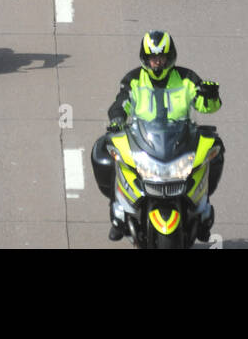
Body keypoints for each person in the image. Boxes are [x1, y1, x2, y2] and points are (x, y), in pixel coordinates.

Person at [90, 32, 224, 242]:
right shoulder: (133, 79)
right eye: (153, 58)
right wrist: (117, 118)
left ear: (171, 57)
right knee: (105, 150)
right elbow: (122, 102)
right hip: (144, 139)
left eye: (161, 58)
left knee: (215, 148)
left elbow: (205, 107)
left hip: (180, 139)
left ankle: (203, 207)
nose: (157, 63)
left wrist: (210, 95)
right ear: (145, 58)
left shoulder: (187, 77)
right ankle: (117, 213)